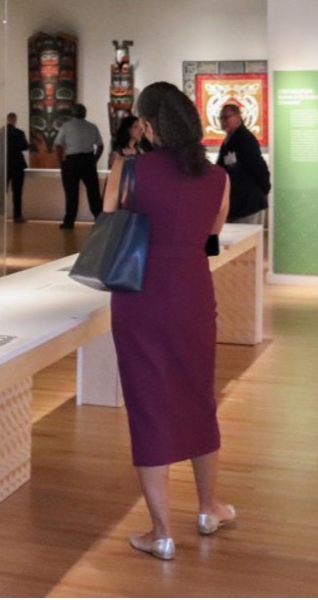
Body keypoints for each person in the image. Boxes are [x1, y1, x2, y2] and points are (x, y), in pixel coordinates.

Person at [102, 81, 234, 561]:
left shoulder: (129, 169)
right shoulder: (218, 178)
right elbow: (211, 232)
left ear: (149, 124)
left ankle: (160, 532)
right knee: (199, 395)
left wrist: (130, 157)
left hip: (139, 295)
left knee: (148, 402)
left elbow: (107, 217)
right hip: (193, 293)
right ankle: (207, 507)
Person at [216, 103, 270, 225]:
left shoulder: (244, 138)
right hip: (238, 203)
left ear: (238, 117)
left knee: (248, 241)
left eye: (226, 117)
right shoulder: (229, 140)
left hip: (249, 203)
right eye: (221, 118)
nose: (223, 121)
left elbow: (259, 167)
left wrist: (263, 190)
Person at [53, 103, 104, 228]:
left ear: (72, 113)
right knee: (93, 192)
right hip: (88, 160)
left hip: (71, 161)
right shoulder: (92, 127)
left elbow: (58, 145)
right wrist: (94, 159)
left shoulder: (66, 126)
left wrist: (61, 163)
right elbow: (100, 145)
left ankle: (69, 221)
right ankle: (99, 219)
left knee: (71, 193)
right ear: (84, 113)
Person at [0, 112, 28, 221]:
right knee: (17, 191)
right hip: (17, 163)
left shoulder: (0, 132)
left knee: (2, 189)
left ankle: (0, 214)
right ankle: (17, 215)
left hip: (3, 162)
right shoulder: (19, 133)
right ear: (15, 120)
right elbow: (24, 146)